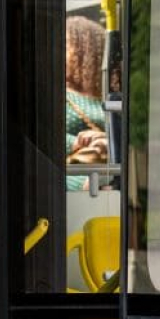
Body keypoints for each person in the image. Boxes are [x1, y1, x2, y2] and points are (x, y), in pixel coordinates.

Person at [65, 16, 109, 189]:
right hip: (71, 175)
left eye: (66, 45)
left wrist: (105, 139)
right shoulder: (58, 94)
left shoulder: (108, 98)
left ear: (85, 52)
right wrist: (76, 142)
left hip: (104, 169)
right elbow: (42, 136)